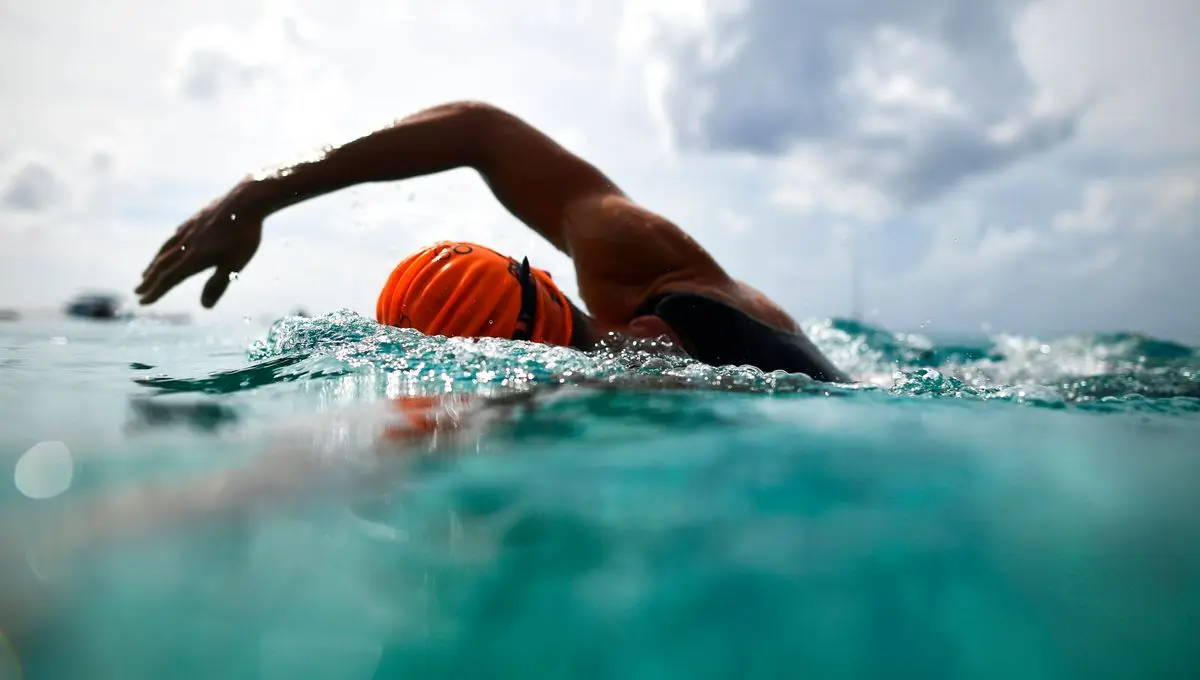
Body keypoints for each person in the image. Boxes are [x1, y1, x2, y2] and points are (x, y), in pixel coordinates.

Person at [136, 100, 849, 383]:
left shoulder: (583, 392)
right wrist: (255, 195)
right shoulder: (639, 265)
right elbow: (480, 130)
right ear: (536, 277)